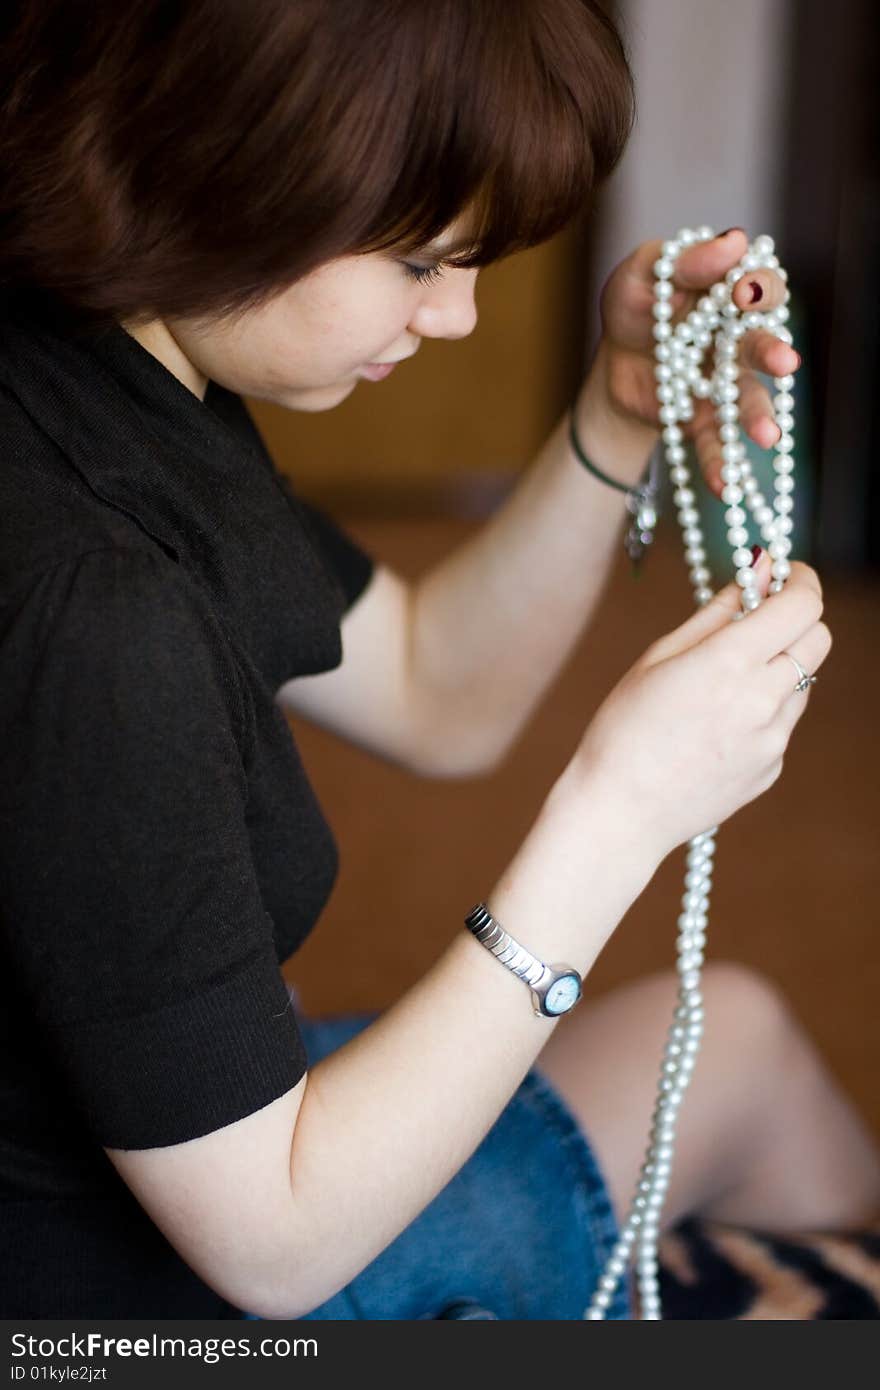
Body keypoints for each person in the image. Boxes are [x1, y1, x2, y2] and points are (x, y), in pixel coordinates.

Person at [0, 0, 877, 1322]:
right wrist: (622, 809)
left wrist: (617, 411)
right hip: (151, 1283)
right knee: (742, 1056)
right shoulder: (93, 604)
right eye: (420, 261)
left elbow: (429, 687)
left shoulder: (102, 376)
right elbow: (275, 1249)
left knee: (739, 1033)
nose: (461, 316)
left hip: (178, 1137)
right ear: (217, 167)